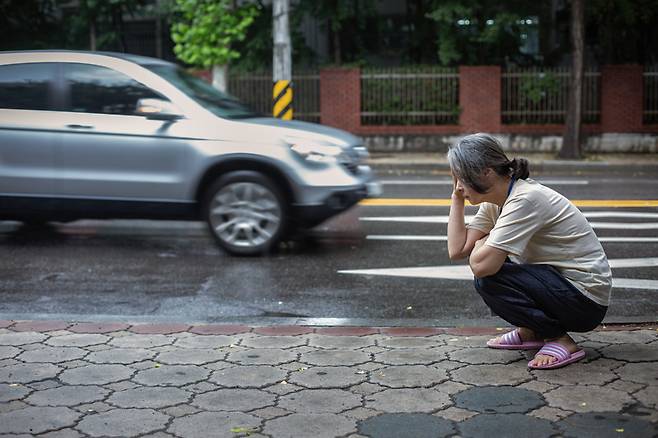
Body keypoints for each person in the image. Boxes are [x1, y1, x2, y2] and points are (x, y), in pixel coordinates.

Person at [446, 133, 611, 369]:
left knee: (490, 279)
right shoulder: (497, 200)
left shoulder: (525, 199)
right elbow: (457, 249)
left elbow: (482, 266)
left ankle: (559, 339)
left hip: (584, 300)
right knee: (496, 267)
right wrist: (456, 198)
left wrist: (483, 244)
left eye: (461, 178)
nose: (459, 185)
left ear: (486, 172)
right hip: (561, 288)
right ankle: (531, 331)